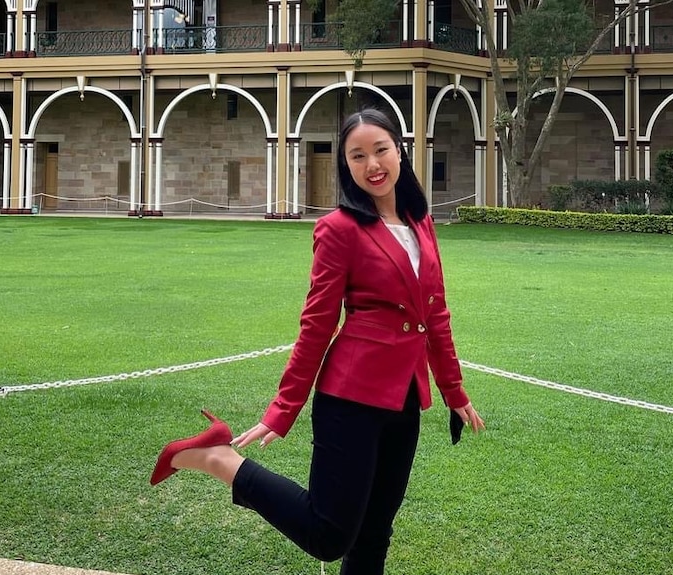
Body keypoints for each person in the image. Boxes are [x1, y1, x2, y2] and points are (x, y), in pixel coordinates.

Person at [150, 108, 485, 574]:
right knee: (329, 535)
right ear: (346, 166)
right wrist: (282, 409)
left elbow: (436, 313)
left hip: (405, 399)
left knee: (374, 534)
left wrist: (454, 390)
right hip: (350, 398)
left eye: (381, 149)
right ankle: (217, 458)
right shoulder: (339, 230)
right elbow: (317, 324)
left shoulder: (419, 221)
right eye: (358, 155)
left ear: (400, 150)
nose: (373, 164)